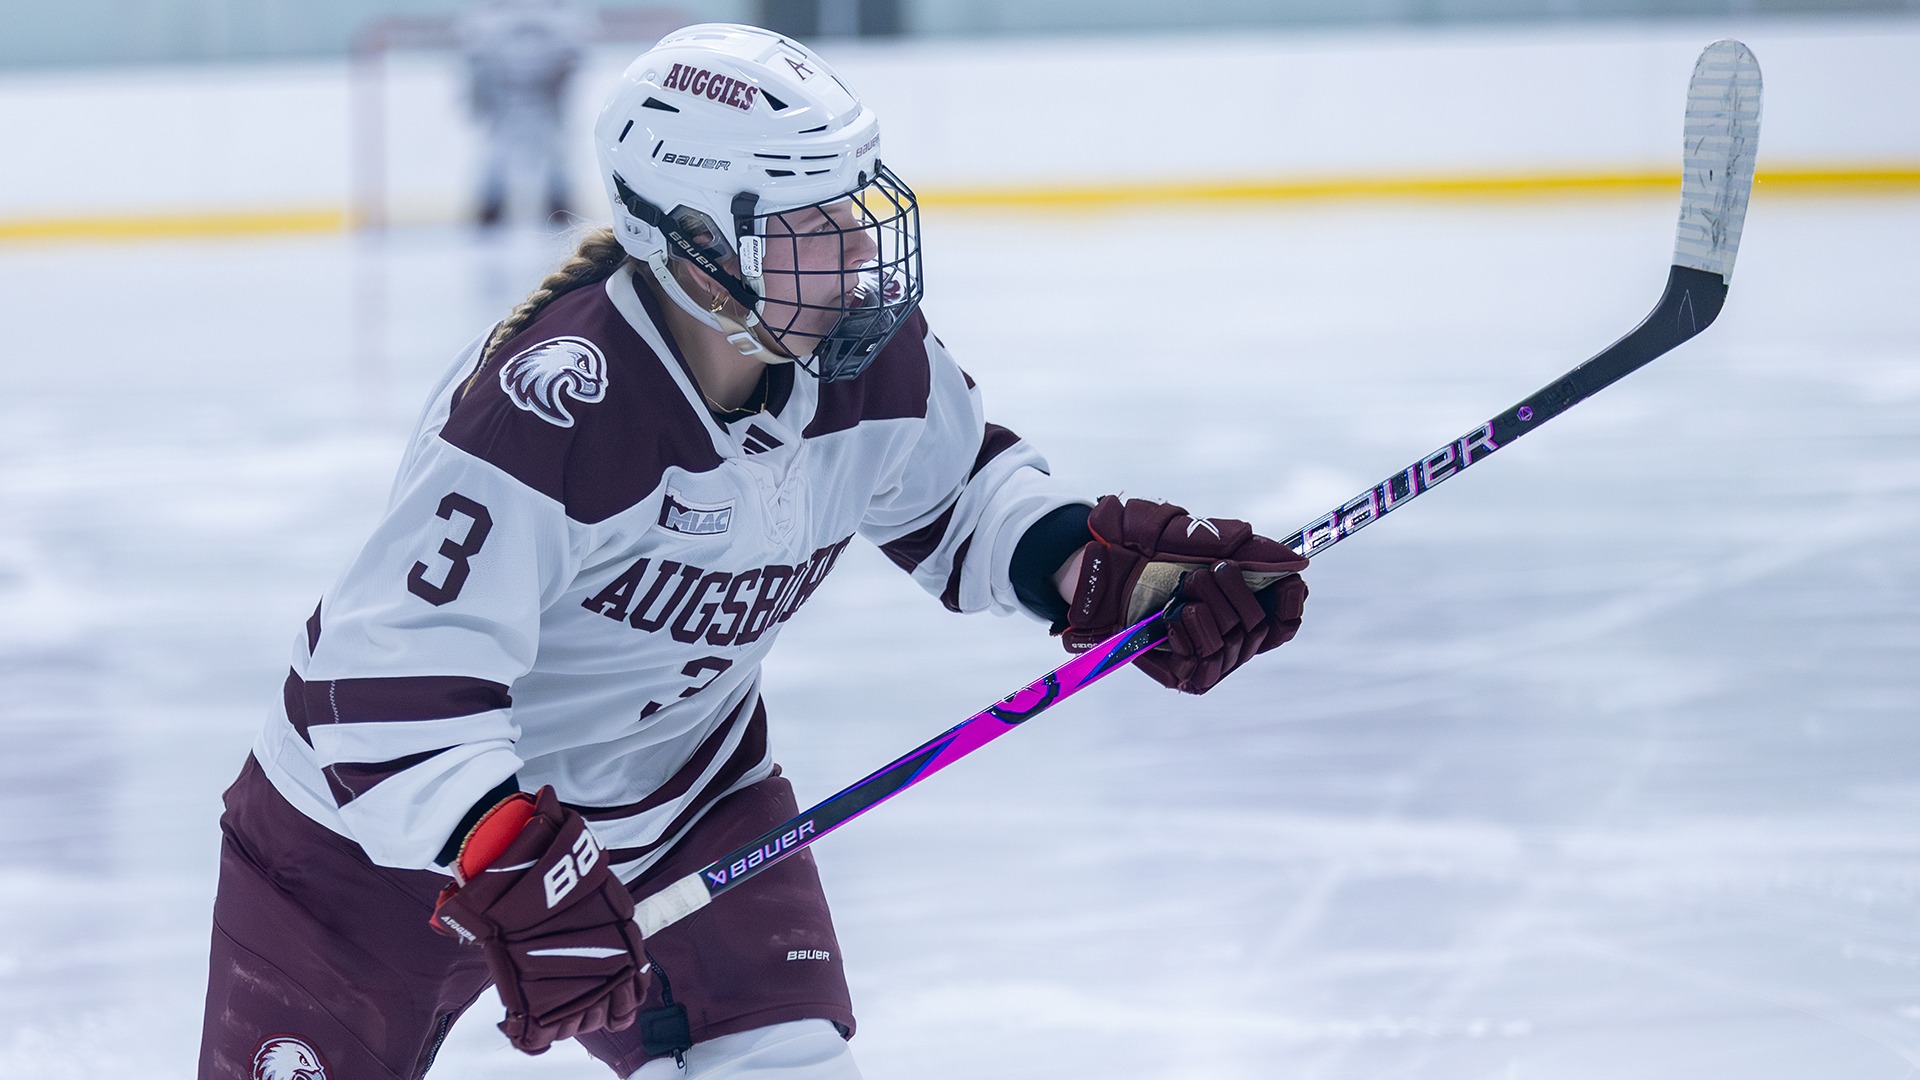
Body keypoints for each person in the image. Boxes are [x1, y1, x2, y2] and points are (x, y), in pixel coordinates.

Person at [197, 23, 1309, 1080]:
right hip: (369, 846)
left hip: (685, 804)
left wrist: (1113, 578)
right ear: (693, 242)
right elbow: (381, 680)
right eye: (812, 224)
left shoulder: (861, 357)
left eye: (857, 211)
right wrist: (502, 847)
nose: (862, 252)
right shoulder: (556, 409)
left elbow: (966, 502)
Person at [459, 0, 594, 226]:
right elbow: (477, 62)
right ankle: (492, 211)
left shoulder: (561, 12)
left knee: (556, 158)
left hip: (545, 103)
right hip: (506, 102)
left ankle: (559, 211)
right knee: (498, 158)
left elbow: (574, 59)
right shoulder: (489, 13)